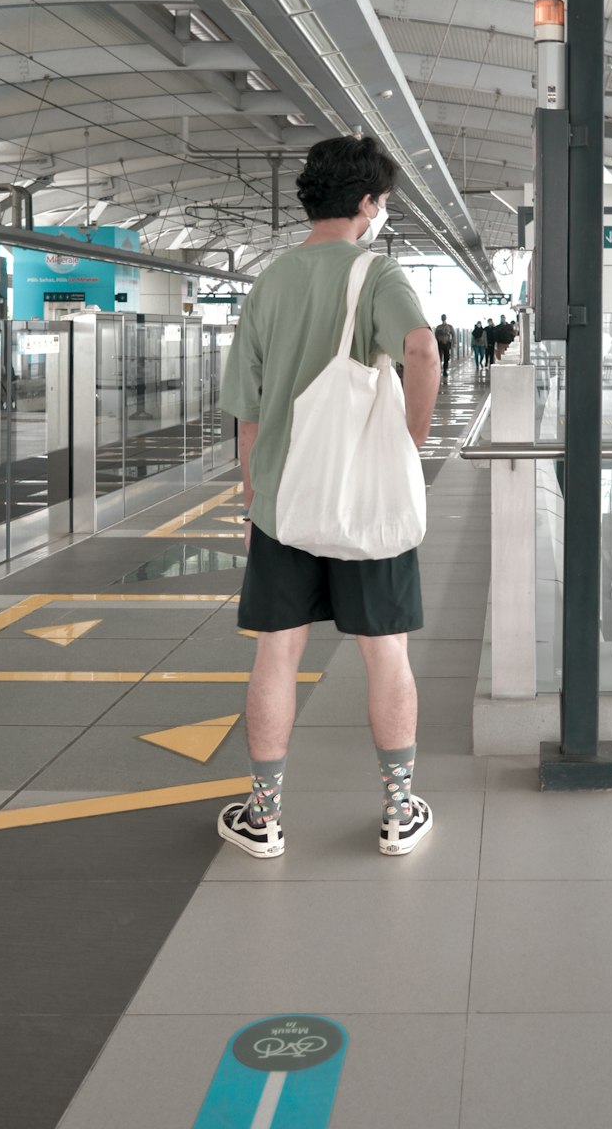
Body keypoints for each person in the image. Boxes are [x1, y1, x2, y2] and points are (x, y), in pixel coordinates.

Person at [218, 134, 440, 859]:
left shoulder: (270, 282)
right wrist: (408, 443)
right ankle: (399, 811)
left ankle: (264, 815)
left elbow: (248, 416)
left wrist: (253, 503)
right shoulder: (376, 274)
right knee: (386, 653)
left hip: (285, 502)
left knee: (277, 655)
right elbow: (421, 348)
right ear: (368, 204)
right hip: (363, 504)